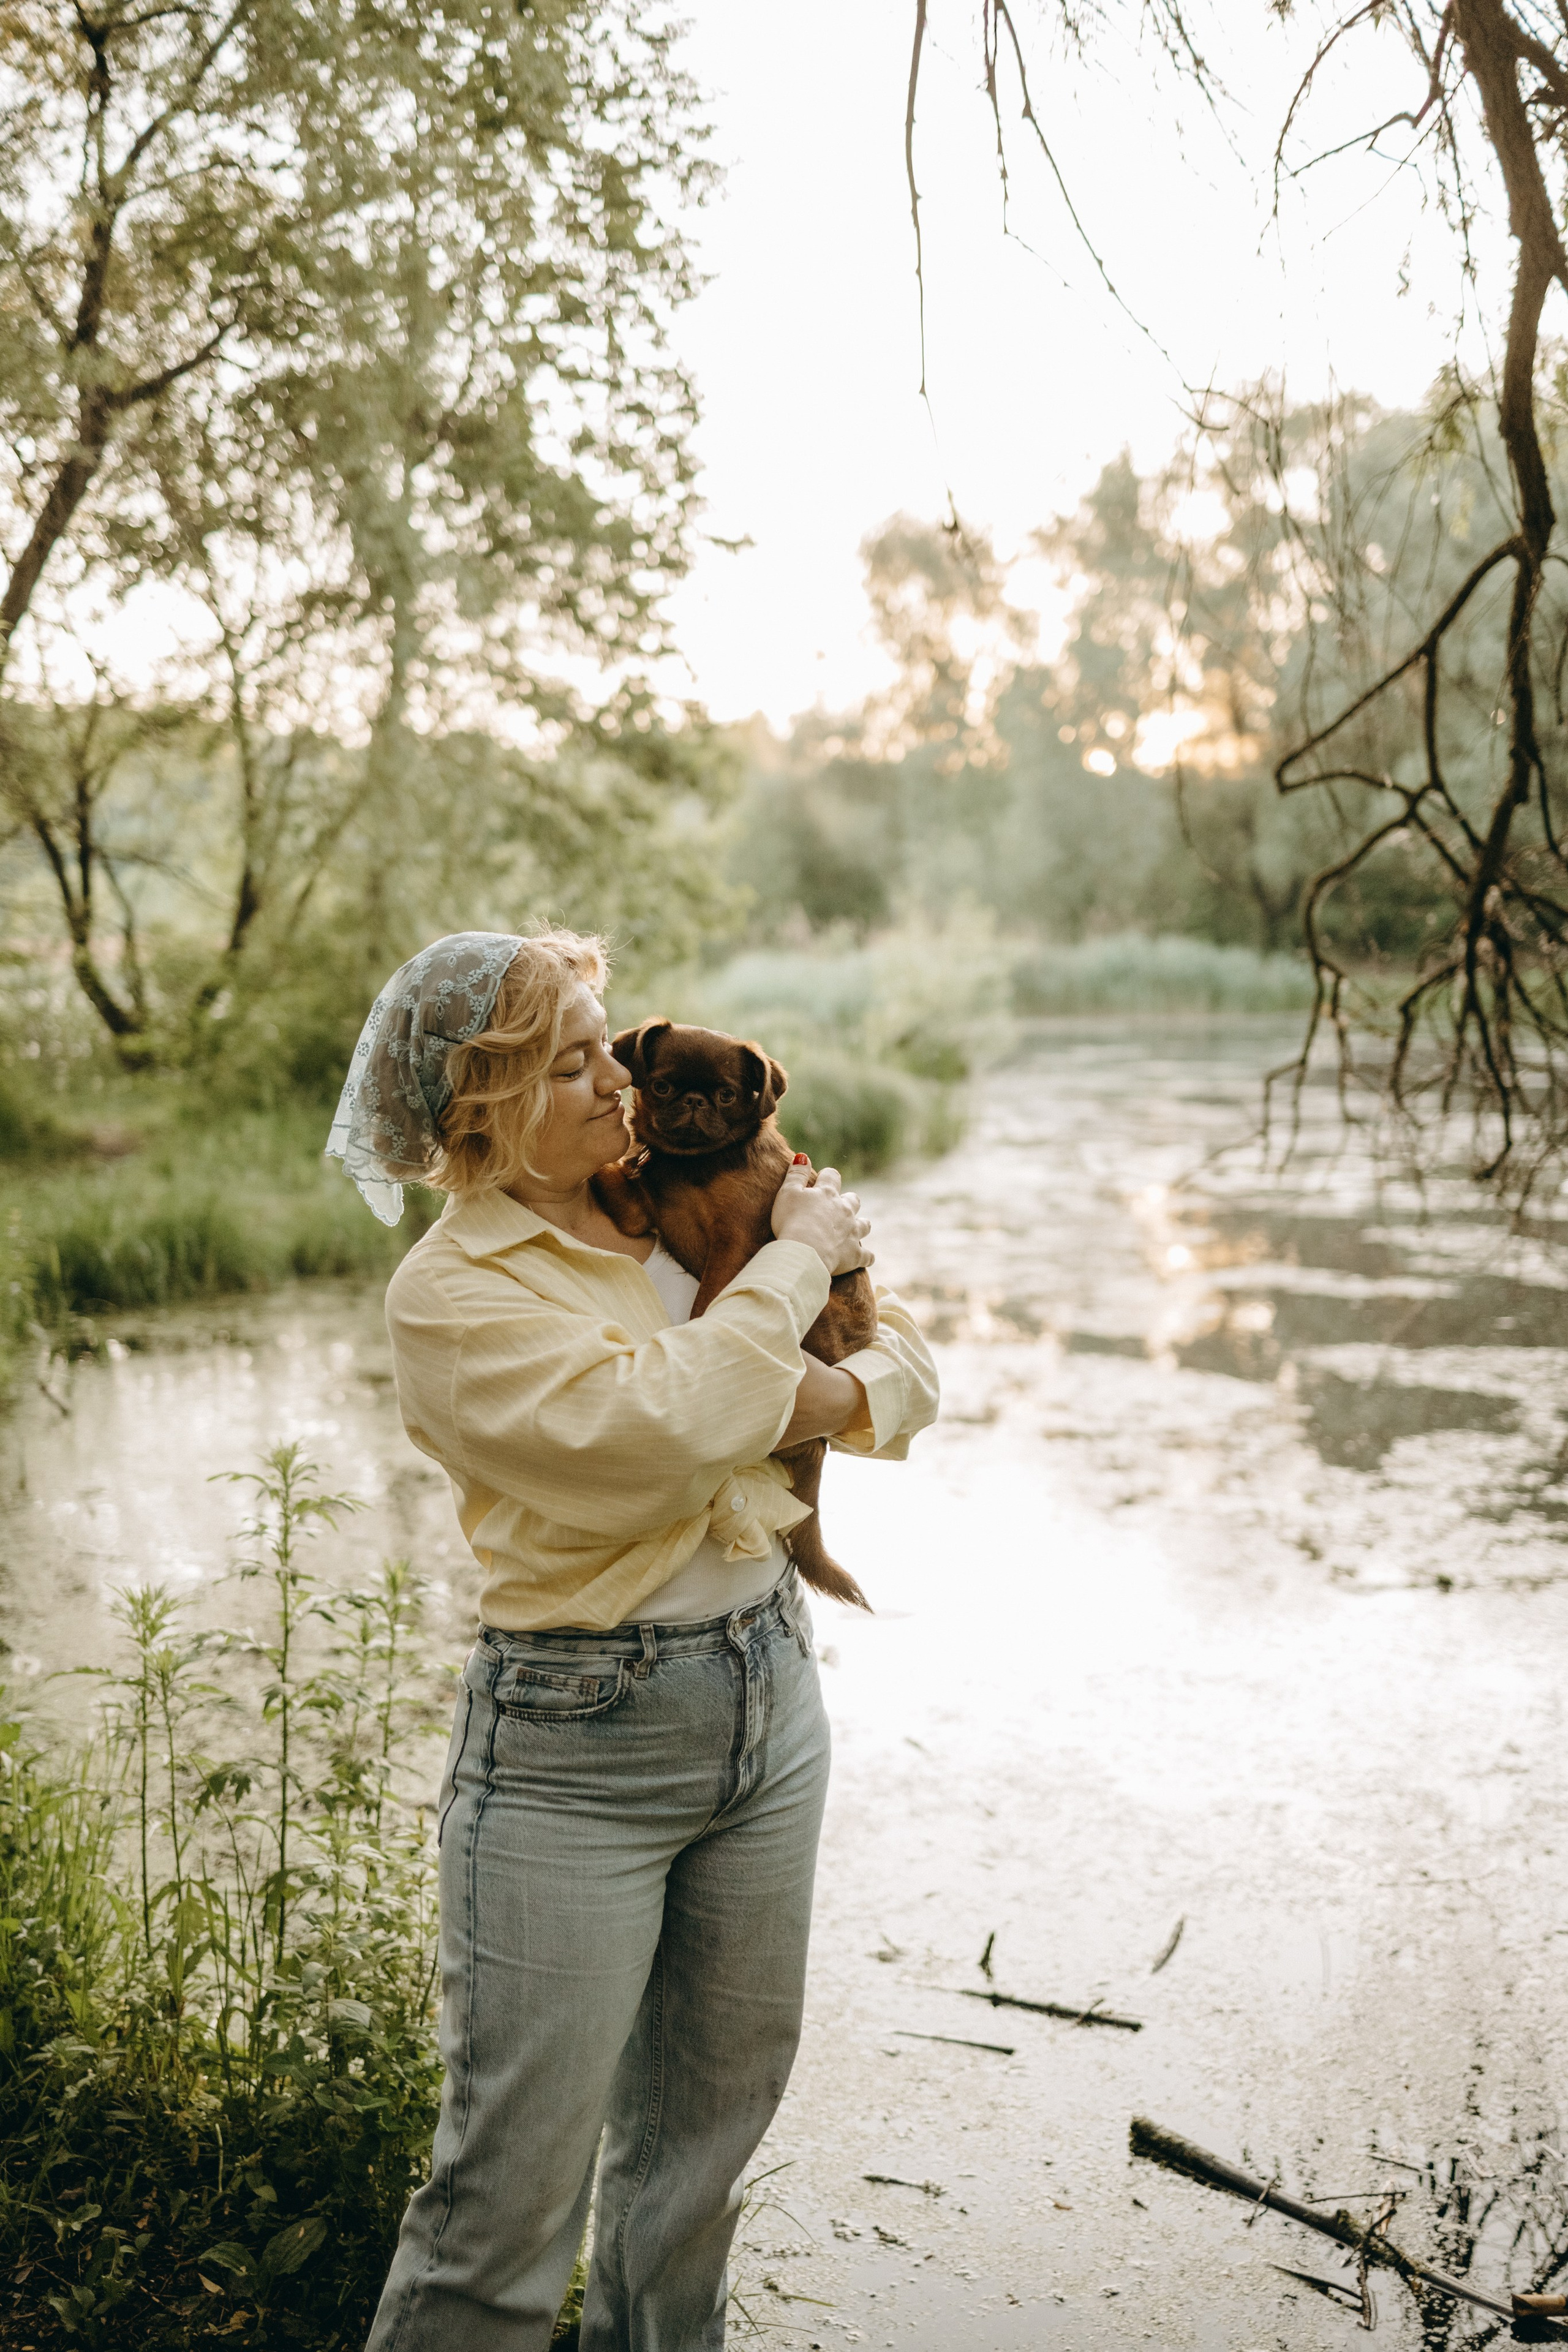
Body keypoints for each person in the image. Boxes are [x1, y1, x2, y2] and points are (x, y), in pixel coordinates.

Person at [327, 926, 938, 2352]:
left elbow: (905, 1367)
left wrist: (809, 1387)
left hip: (767, 1703)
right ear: (474, 1108)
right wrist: (790, 1288)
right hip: (573, 1748)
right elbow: (657, 1430)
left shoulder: (690, 1190)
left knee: (690, 2186)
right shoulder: (454, 1293)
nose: (618, 1080)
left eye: (608, 1044)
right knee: (501, 2217)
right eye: (569, 1062)